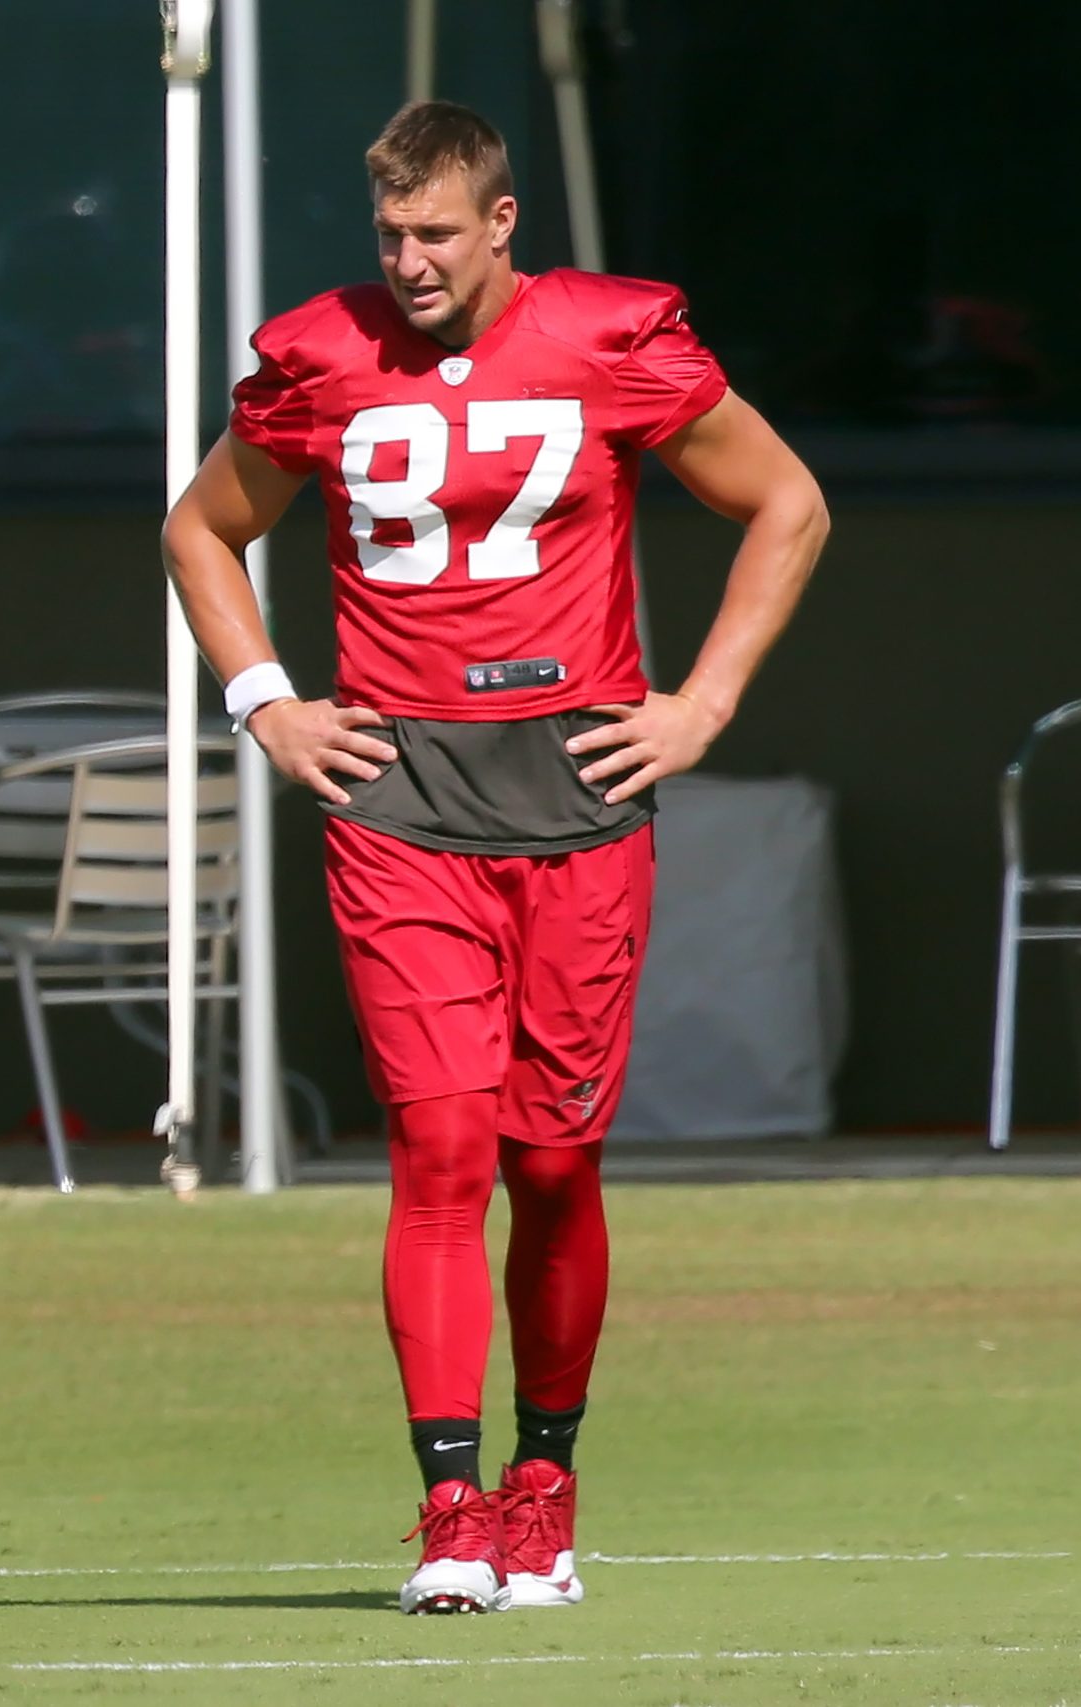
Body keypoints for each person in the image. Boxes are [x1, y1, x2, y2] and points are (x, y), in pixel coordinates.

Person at [162, 103, 827, 1615]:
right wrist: (267, 703)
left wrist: (702, 700)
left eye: (438, 233)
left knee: (553, 1155)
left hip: (580, 784)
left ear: (506, 221)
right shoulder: (321, 356)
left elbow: (787, 501)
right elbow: (203, 530)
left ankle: (548, 1483)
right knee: (442, 1147)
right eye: (390, 233)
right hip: (402, 796)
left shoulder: (608, 340)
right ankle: (455, 1506)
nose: (408, 262)